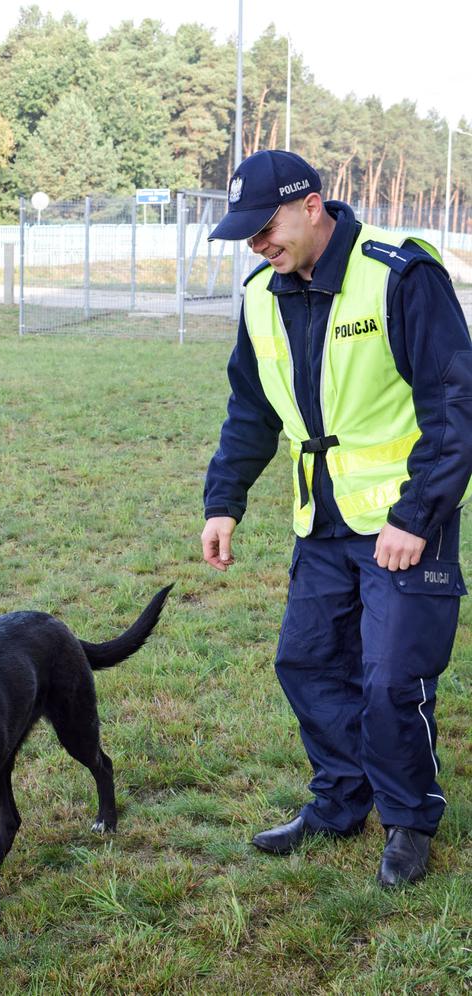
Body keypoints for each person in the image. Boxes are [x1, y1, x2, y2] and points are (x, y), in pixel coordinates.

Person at [201, 148, 472, 886]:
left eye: (266, 227)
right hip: (320, 520)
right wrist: (224, 501)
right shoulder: (263, 294)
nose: (258, 244)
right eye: (247, 235)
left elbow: (454, 404)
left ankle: (410, 818)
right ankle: (339, 800)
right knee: (308, 662)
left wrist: (417, 514)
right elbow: (250, 410)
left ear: (312, 205)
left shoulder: (399, 274)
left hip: (405, 519)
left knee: (390, 679)